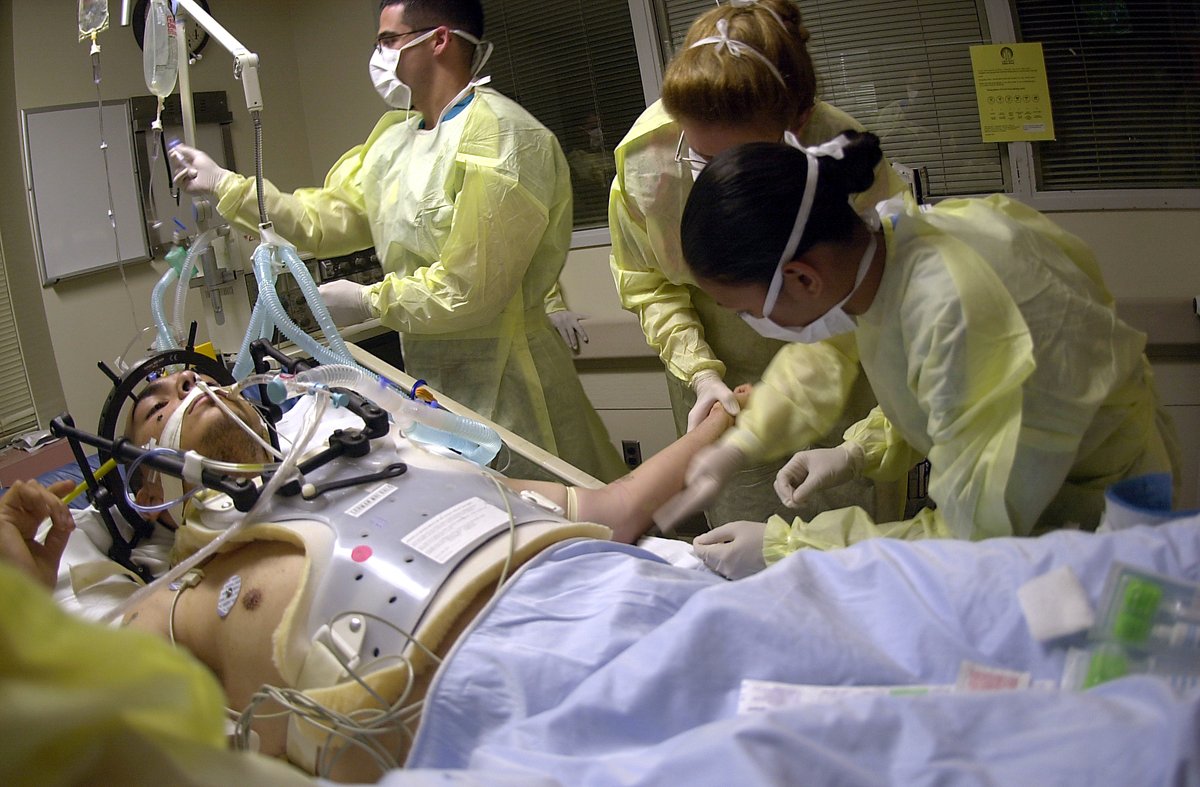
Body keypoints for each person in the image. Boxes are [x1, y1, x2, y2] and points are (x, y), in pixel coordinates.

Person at [51, 365, 748, 779]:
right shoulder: (181, 594)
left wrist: (716, 424)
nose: (189, 384)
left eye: (192, 376)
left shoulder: (390, 451)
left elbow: (612, 507)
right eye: (159, 403)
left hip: (630, 591)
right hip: (503, 718)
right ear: (145, 493)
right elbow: (63, 720)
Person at [675, 131, 1180, 579]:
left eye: (742, 310)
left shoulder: (958, 311)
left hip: (1093, 517)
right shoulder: (900, 249)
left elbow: (971, 540)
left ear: (803, 278)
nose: (752, 325)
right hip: (1050, 479)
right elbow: (902, 377)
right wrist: (855, 450)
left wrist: (789, 549)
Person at [170, 0, 625, 484]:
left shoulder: (502, 138)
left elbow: (470, 292)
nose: (378, 54)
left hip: (513, 382)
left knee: (553, 520)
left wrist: (367, 300)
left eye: (388, 40)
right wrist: (226, 185)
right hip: (431, 385)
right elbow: (324, 220)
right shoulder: (394, 143)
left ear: (439, 40)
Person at [609, 0, 906, 530]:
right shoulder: (647, 163)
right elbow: (648, 283)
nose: (723, 183)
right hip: (727, 384)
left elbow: (950, 547)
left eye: (744, 163)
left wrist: (851, 461)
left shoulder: (844, 160)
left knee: (851, 529)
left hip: (855, 379)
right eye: (701, 160)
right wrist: (702, 375)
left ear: (798, 126)